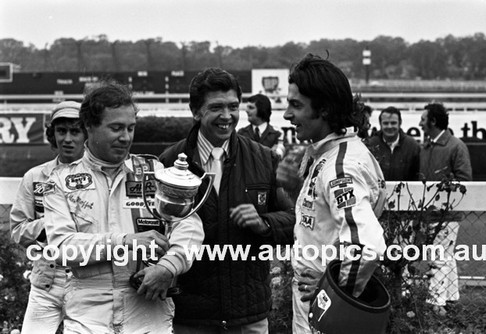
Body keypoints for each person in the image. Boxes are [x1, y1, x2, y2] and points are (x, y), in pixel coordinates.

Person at [43, 81, 204, 334]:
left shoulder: (155, 173)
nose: (125, 137)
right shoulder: (60, 182)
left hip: (148, 310)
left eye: (131, 128)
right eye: (116, 128)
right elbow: (62, 248)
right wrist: (124, 241)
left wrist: (169, 266)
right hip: (88, 315)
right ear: (89, 127)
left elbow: (190, 226)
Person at [159, 68, 294, 333]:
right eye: (216, 107)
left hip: (248, 317)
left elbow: (296, 220)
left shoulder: (264, 159)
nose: (227, 116)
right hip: (190, 317)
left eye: (233, 107)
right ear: (195, 111)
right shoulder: (169, 162)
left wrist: (264, 223)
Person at [283, 54, 387, 333]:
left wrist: (333, 293)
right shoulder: (332, 152)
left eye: (296, 105)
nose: (286, 114)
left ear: (325, 109)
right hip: (313, 302)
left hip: (324, 312)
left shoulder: (341, 167)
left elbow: (368, 246)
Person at [10, 101, 86, 334]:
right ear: (52, 135)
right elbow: (17, 230)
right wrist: (54, 225)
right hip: (46, 282)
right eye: (61, 131)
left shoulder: (102, 177)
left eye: (75, 131)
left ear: (87, 134)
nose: (67, 139)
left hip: (88, 283)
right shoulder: (34, 176)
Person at [418, 102, 472, 313]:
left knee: (438, 255)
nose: (420, 123)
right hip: (430, 213)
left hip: (447, 214)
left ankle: (436, 303)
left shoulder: (456, 146)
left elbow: (465, 179)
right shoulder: (427, 147)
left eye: (423, 119)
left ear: (432, 121)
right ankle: (451, 298)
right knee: (445, 255)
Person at [367, 106, 421, 181]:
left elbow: (416, 177)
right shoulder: (370, 145)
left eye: (393, 123)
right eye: (385, 123)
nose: (389, 126)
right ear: (380, 124)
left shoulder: (413, 146)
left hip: (405, 192)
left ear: (400, 123)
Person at [238, 93, 285, 158]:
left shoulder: (278, 135)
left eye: (251, 108)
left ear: (262, 110)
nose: (246, 110)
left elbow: (283, 161)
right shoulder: (241, 134)